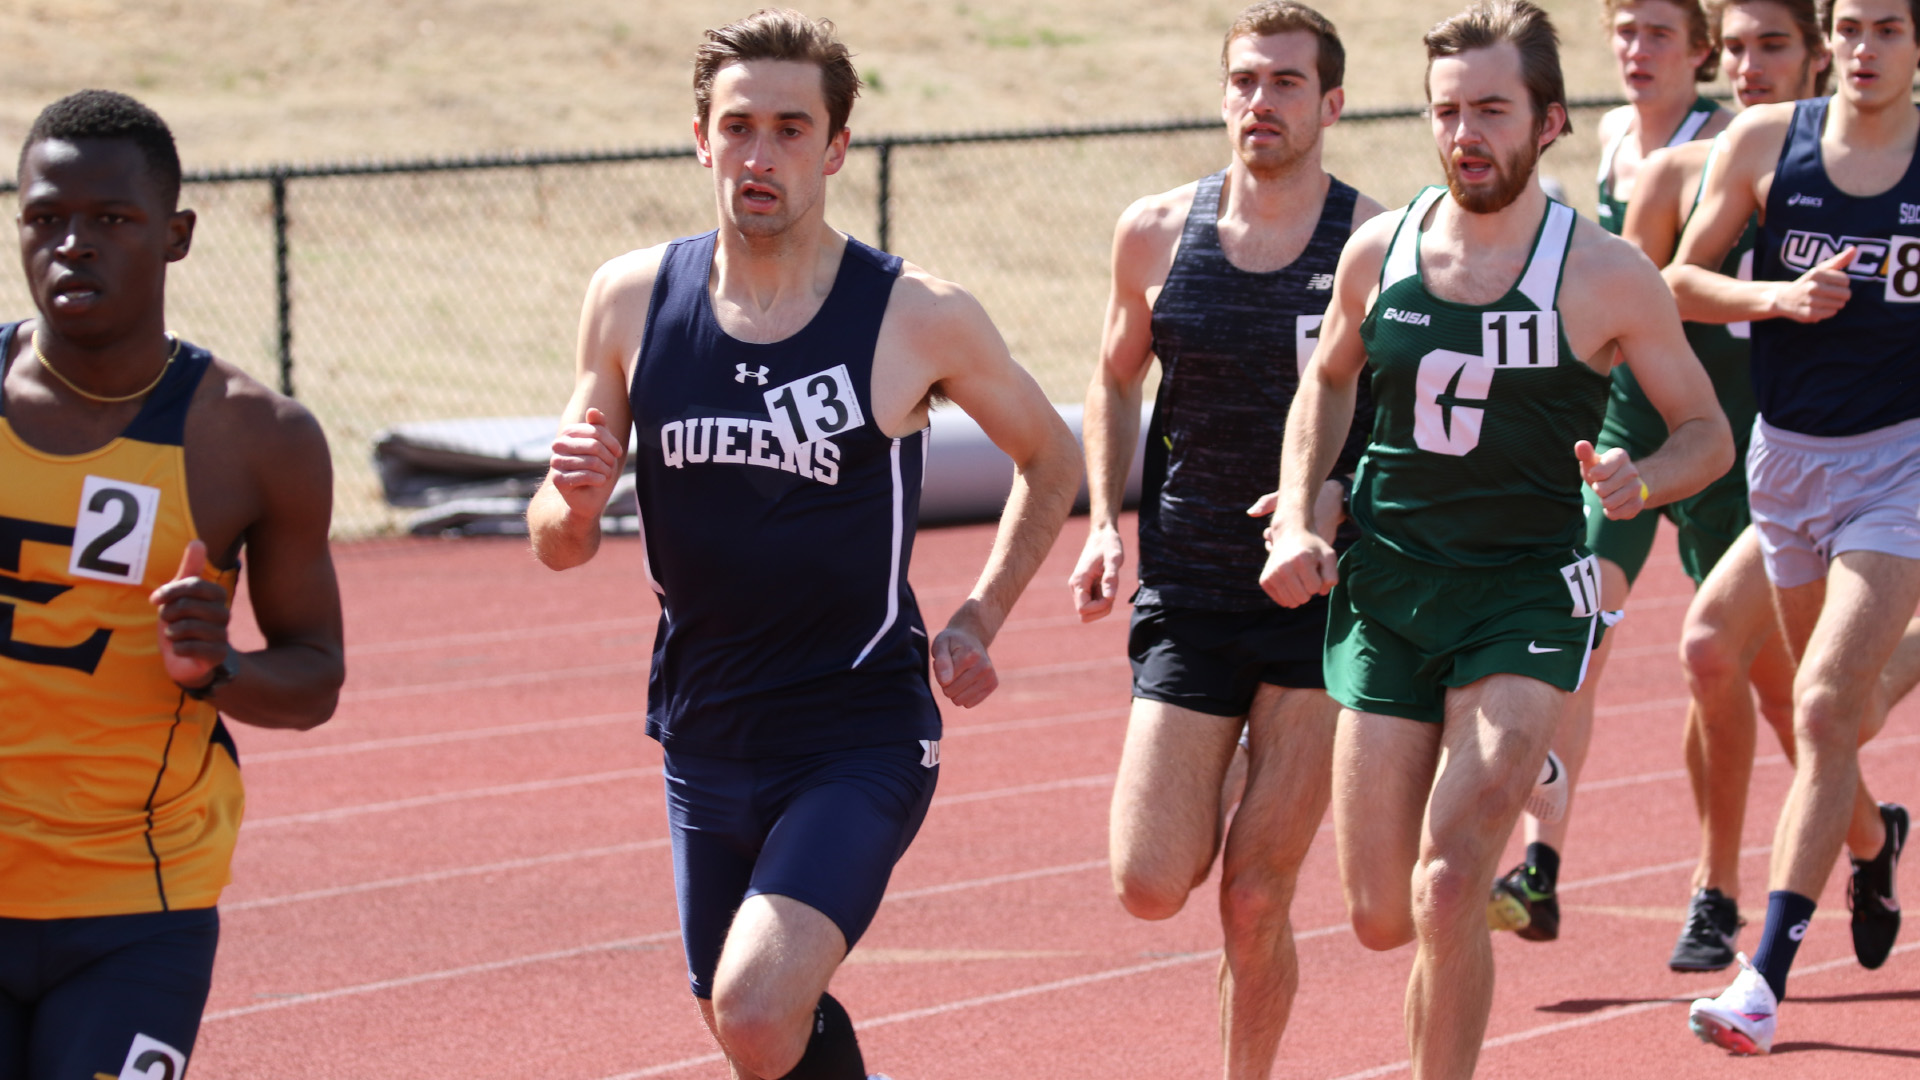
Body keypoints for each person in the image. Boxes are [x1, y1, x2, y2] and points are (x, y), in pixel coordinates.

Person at [526, 11, 1081, 1080]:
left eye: (790, 129)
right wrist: (576, 505)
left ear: (834, 149)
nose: (760, 154)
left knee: (755, 1004)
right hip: (705, 726)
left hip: (856, 730)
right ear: (701, 139)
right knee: (751, 1032)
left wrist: (981, 613)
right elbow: (556, 541)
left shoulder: (915, 314)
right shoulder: (631, 299)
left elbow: (1052, 459)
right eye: (739, 127)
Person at [1261, 3, 1732, 1077]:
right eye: (1446, 112)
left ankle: (1518, 763)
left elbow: (1705, 433)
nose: (1465, 134)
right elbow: (1326, 384)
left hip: (1525, 596)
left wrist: (1643, 479)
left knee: (1449, 882)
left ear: (1550, 120)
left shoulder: (1607, 273)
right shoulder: (1379, 251)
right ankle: (1520, 777)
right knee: (1382, 914)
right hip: (1391, 593)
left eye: (1491, 110)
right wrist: (1296, 510)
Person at [0, 91, 345, 1078]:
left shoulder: (256, 439)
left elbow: (314, 680)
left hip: (138, 909)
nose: (73, 245)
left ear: (176, 235)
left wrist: (218, 667)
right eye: (46, 218)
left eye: (110, 219)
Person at [1067, 4, 1384, 1074]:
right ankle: (1239, 756)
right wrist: (1102, 524)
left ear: (1331, 104)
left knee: (1255, 895)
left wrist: (1331, 498)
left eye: (1287, 83)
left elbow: (1402, 421)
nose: (1262, 101)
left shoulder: (1376, 243)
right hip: (1189, 592)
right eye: (1246, 80)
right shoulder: (1156, 231)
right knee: (1150, 883)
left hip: (1321, 605)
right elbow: (1113, 379)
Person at [1668, 0, 1920, 1055]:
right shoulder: (1768, 142)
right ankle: (1874, 839)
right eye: (1852, 27)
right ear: (1829, 41)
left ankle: (1760, 983)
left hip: (1901, 463)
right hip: (1786, 462)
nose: (1866, 48)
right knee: (1830, 718)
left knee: (1819, 706)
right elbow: (1679, 280)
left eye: (1890, 29)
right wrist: (1774, 297)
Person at [1487, 0, 1734, 948]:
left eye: (1658, 32)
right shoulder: (1615, 134)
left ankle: (1851, 838)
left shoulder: (1732, 143)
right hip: (1623, 428)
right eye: (1624, 30)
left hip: (1718, 428)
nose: (1636, 49)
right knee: (1576, 629)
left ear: (1700, 50)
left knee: (1747, 672)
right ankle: (1541, 869)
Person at [1615, 0, 1838, 973]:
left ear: (1817, 55)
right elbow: (1649, 293)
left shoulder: (1879, 168)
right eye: (1737, 49)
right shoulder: (1690, 170)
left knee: (1803, 693)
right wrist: (1774, 298)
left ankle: (1850, 846)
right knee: (1749, 673)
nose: (1749, 67)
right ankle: (1724, 888)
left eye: (1772, 46)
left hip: (1858, 461)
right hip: (1742, 459)